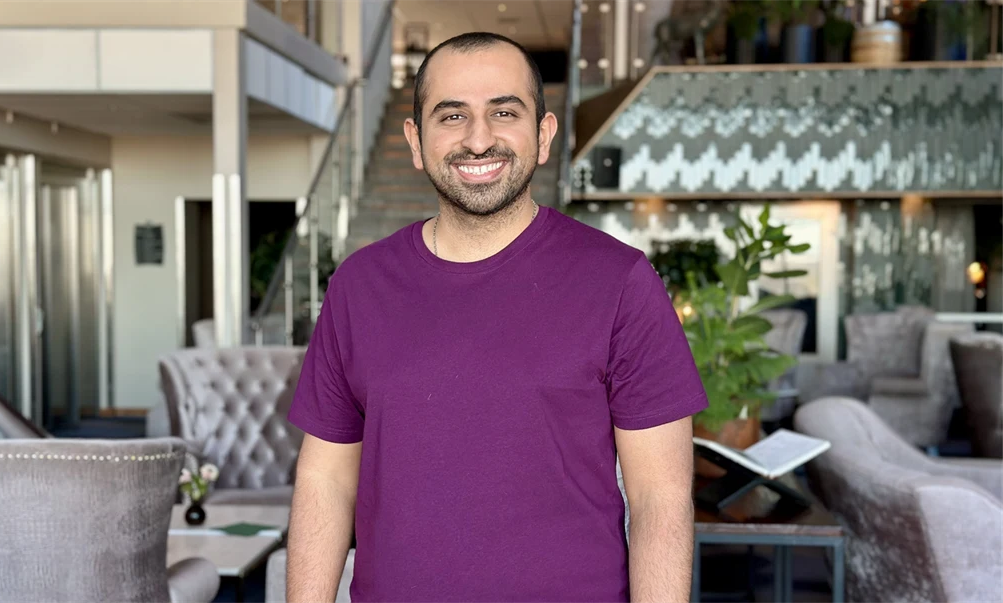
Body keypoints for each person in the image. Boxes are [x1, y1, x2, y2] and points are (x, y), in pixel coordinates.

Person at [285, 31, 708, 603]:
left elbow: (660, 500)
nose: (478, 139)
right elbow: (326, 481)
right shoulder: (359, 286)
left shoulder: (620, 282)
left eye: (504, 112)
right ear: (416, 141)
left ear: (543, 134)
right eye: (451, 115)